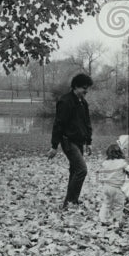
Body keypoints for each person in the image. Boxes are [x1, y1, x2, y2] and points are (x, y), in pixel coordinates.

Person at [48, 73, 93, 210]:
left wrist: (88, 142)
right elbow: (58, 124)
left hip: (79, 142)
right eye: (84, 88)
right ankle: (70, 202)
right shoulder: (65, 101)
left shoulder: (83, 102)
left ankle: (72, 201)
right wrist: (54, 146)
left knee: (75, 171)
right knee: (82, 170)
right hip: (68, 142)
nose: (86, 91)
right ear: (75, 87)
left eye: (87, 88)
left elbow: (87, 123)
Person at [98, 143, 129, 227]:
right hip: (116, 188)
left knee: (106, 203)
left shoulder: (105, 162)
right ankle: (117, 221)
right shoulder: (122, 162)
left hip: (106, 187)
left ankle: (103, 219)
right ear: (120, 153)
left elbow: (101, 172)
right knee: (119, 205)